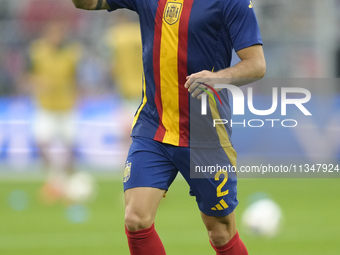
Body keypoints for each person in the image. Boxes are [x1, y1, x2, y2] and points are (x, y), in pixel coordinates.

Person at [72, 0, 266, 254]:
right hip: (154, 127)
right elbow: (86, 3)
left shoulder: (232, 2)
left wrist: (218, 78)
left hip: (205, 135)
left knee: (220, 232)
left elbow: (257, 64)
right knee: (135, 219)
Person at [27, 21, 82, 203]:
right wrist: (37, 83)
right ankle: (54, 179)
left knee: (70, 148)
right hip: (46, 107)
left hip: (66, 107)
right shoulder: (37, 51)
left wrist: (77, 96)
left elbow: (76, 77)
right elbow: (26, 75)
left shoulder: (71, 53)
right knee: (41, 143)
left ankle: (65, 184)